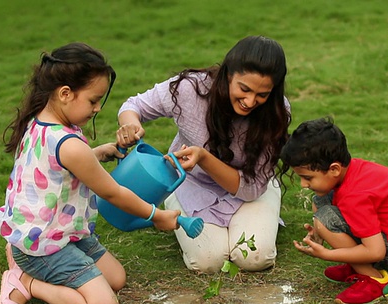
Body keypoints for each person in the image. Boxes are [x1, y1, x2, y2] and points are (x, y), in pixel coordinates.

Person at [0, 42, 179, 304]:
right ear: (65, 94)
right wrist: (156, 215)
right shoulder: (69, 144)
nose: (97, 109)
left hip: (58, 232)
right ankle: (26, 282)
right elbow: (113, 192)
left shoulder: (42, 121)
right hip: (43, 244)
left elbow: (53, 168)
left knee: (116, 278)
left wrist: (96, 153)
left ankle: (19, 252)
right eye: (93, 100)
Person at [116, 35, 290, 274]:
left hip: (249, 188)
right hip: (191, 183)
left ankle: (266, 211)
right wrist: (130, 126)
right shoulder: (190, 89)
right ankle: (181, 207)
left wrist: (205, 159)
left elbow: (250, 189)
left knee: (253, 258)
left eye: (262, 94)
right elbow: (133, 106)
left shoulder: (276, 112)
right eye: (244, 89)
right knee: (209, 262)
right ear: (228, 74)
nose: (250, 101)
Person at [280, 116, 388, 304]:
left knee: (325, 218)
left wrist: (327, 254)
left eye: (307, 177)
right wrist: (318, 231)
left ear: (334, 169)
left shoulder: (355, 195)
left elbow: (376, 251)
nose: (303, 184)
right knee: (321, 201)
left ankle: (375, 280)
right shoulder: (352, 171)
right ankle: (355, 264)